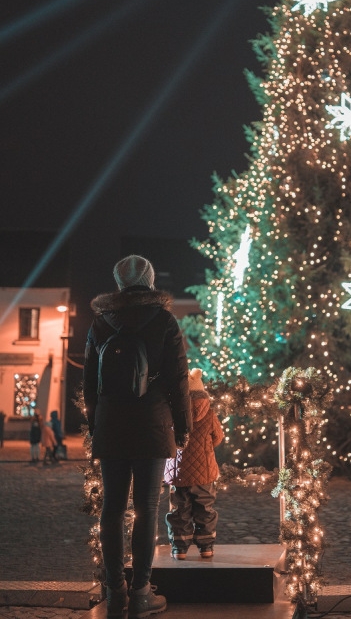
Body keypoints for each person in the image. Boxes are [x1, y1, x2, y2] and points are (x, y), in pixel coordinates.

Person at [83, 255, 191, 619]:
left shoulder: (102, 322)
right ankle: (142, 593)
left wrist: (96, 425)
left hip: (111, 423)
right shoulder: (164, 320)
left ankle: (115, 593)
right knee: (147, 508)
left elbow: (89, 383)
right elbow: (178, 380)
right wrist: (183, 427)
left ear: (119, 283)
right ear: (150, 279)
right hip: (152, 423)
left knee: (112, 508)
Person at [165, 368, 224, 560]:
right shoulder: (209, 413)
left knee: (179, 511)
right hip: (204, 472)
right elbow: (218, 437)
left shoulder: (171, 412)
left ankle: (179, 549)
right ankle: (206, 547)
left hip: (178, 472)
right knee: (205, 509)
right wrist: (205, 448)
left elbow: (166, 438)